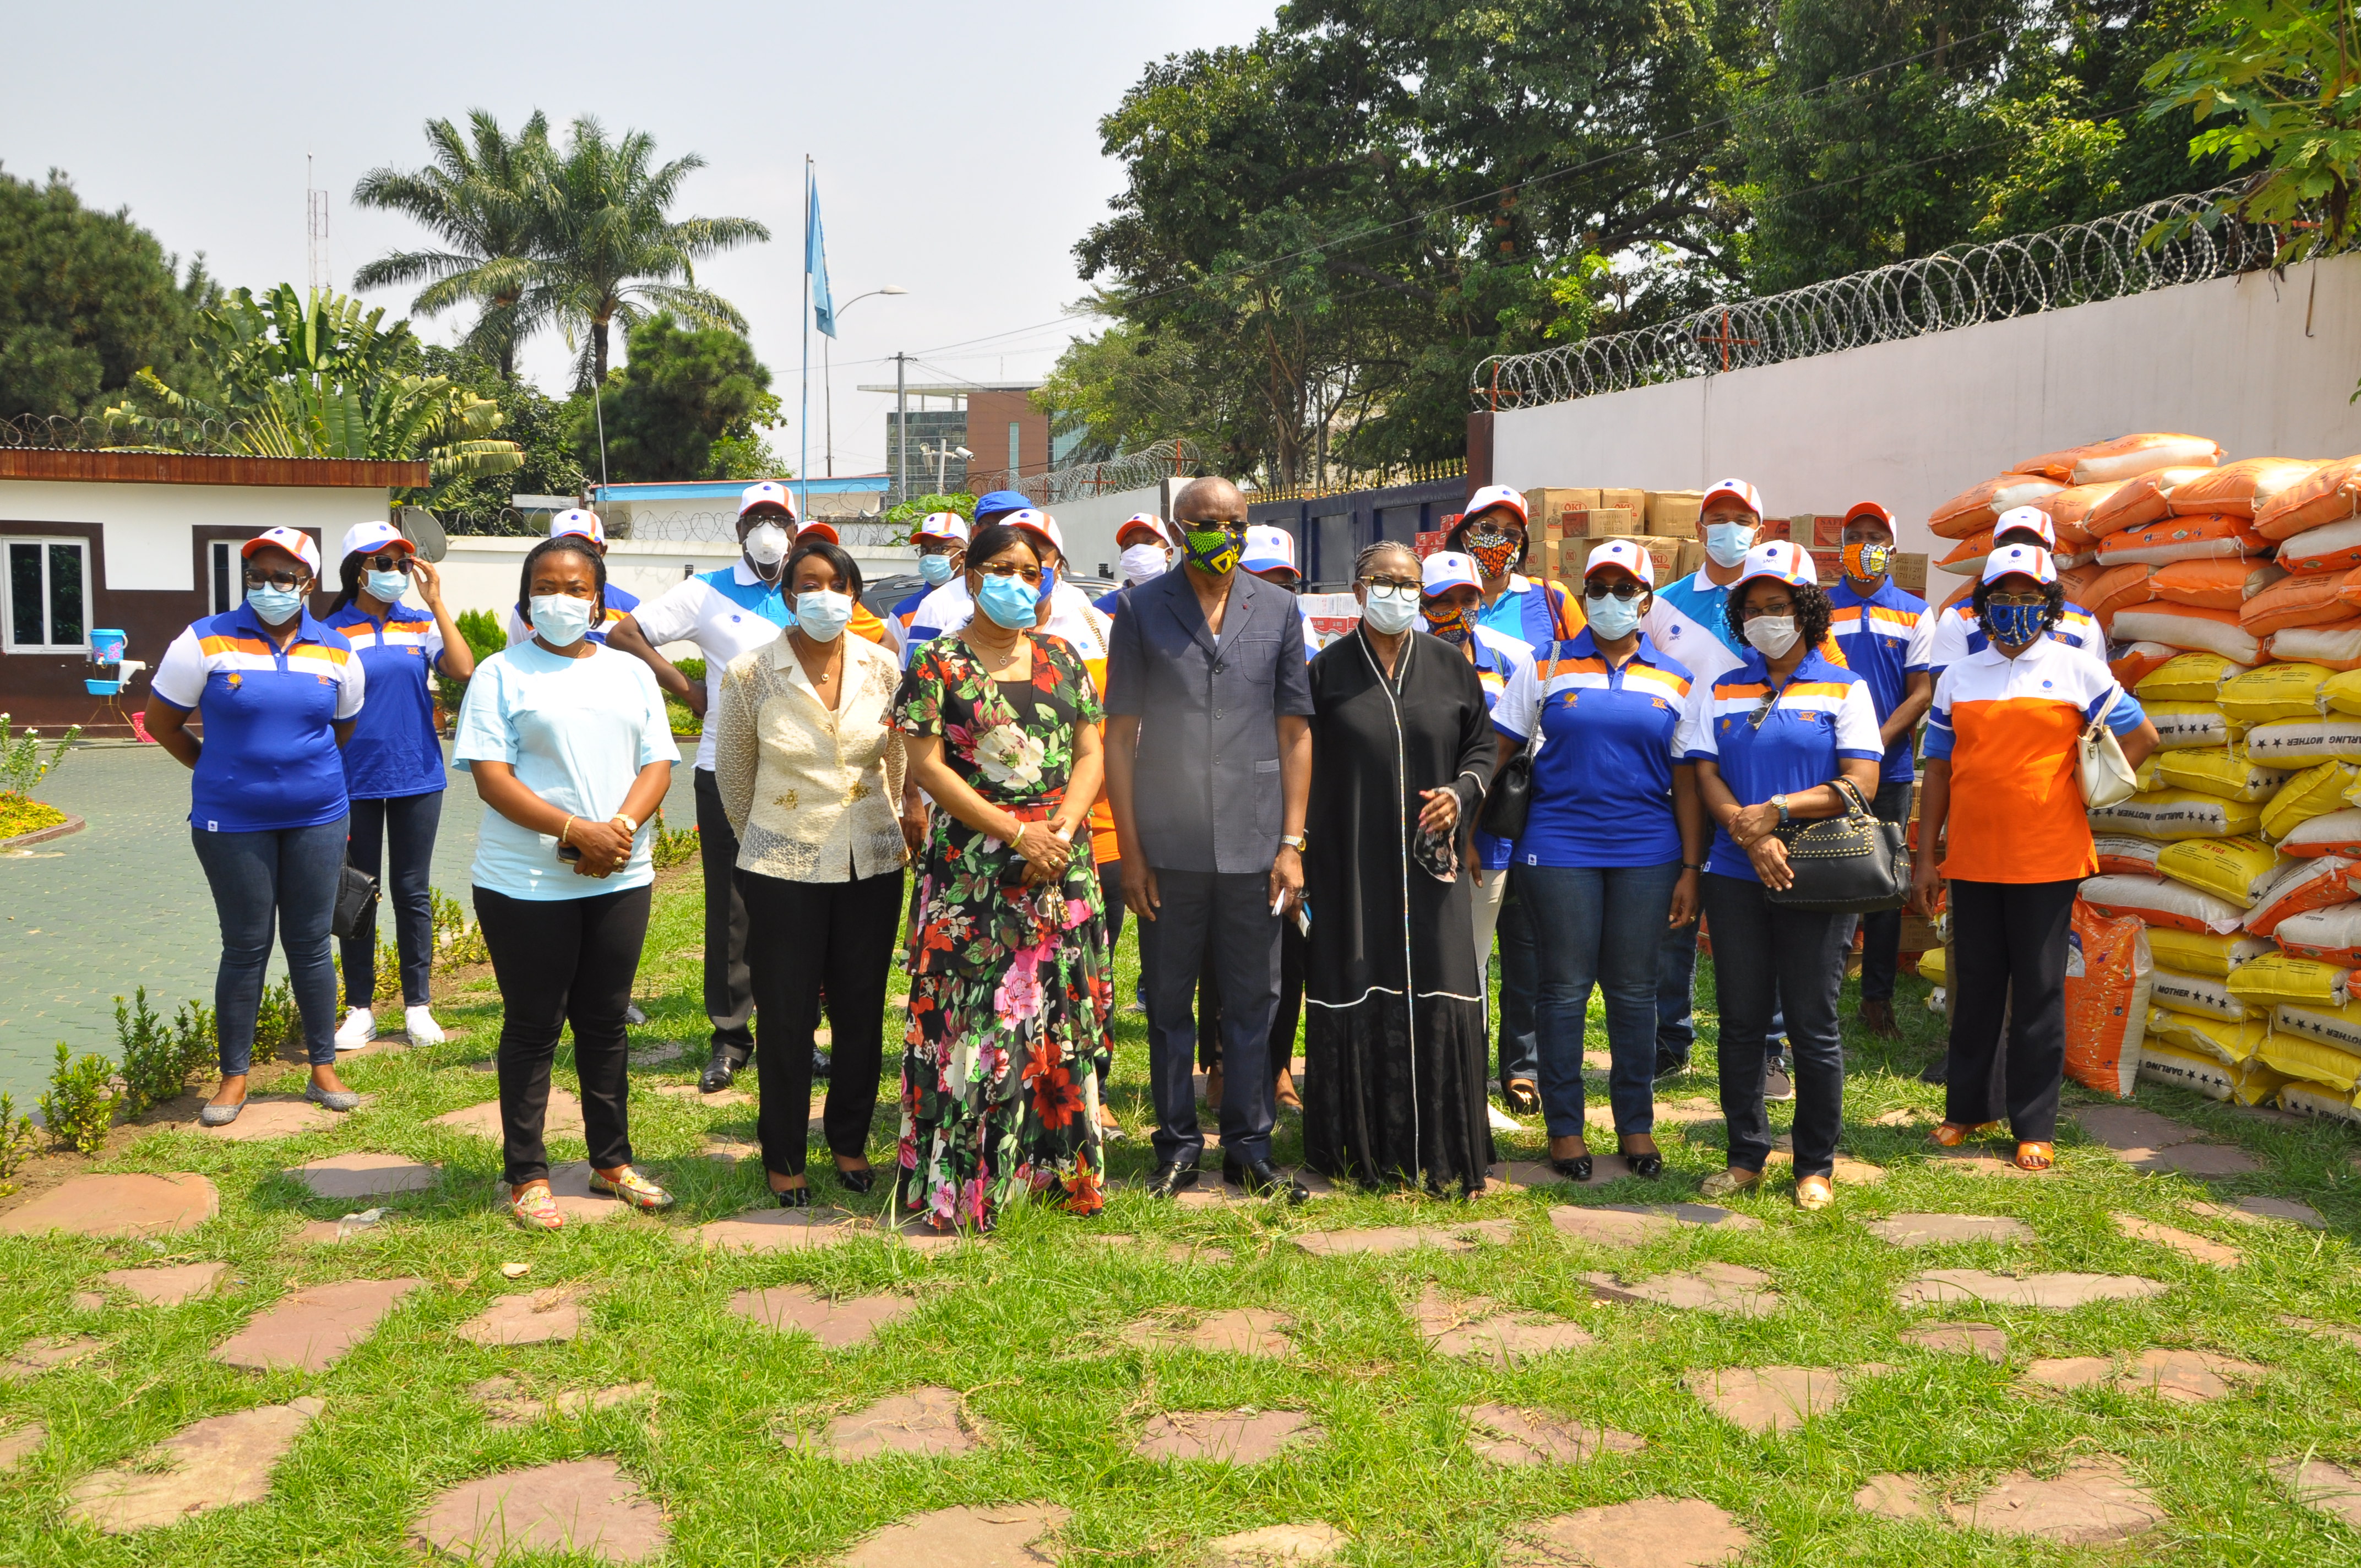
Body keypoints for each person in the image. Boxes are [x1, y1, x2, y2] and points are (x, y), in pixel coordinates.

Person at [453, 532, 678, 1231]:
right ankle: (526, 1173)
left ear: (598, 600)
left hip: (620, 872)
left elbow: (657, 763)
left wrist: (616, 831)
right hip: (524, 882)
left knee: (605, 1022)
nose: (560, 599)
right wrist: (574, 831)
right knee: (532, 1025)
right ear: (525, 601)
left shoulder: (629, 672)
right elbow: (493, 779)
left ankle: (611, 1161)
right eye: (545, 588)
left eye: (575, 588)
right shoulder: (500, 673)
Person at [894, 522, 1112, 1231]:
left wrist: (1064, 832)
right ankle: (967, 1181)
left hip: (1060, 866)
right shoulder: (938, 663)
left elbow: (1090, 752)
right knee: (973, 1021)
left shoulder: (1062, 655)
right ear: (971, 574)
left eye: (1031, 569)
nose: (1020, 582)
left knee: (1058, 1018)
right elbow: (925, 767)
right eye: (1002, 568)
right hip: (975, 873)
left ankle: (1057, 1178)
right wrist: (1017, 831)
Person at [1912, 543, 2156, 1171]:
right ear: (1983, 609)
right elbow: (1937, 769)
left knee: (2041, 992)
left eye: (2027, 598)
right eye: (2002, 599)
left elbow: (2142, 736)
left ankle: (2034, 1125)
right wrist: (1926, 853)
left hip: (2048, 858)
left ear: (2049, 606)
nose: (2013, 609)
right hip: (1971, 856)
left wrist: (2089, 785)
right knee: (1978, 990)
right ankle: (1966, 1110)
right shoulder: (1960, 678)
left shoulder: (2078, 669)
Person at [1105, 476, 1314, 1202]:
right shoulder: (1139, 610)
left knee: (1255, 1001)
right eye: (1204, 522)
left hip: (1257, 845)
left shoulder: (1280, 609)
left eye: (1233, 523)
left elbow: (1295, 732)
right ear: (1177, 526)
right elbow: (1121, 736)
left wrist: (1292, 842)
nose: (1219, 534)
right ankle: (1177, 1145)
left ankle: (1249, 1146)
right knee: (1169, 1003)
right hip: (1168, 847)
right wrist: (1132, 854)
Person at [1678, 541, 1884, 1210]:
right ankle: (1745, 1155)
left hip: (1817, 874)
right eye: (1755, 608)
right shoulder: (1724, 687)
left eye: (1779, 606)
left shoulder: (1845, 687)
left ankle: (1814, 1166)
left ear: (1806, 610)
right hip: (1734, 875)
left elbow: (1861, 781)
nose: (1766, 618)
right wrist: (1743, 824)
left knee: (1811, 1021)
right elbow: (1704, 770)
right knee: (1739, 1019)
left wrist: (1776, 814)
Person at [1490, 540, 1701, 1180]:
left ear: (1646, 596)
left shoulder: (1676, 677)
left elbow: (1689, 779)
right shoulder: (1546, 665)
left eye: (1624, 587)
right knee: (1563, 989)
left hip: (1649, 852)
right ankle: (1565, 1127)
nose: (1611, 599)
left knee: (1636, 992)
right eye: (1599, 588)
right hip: (1557, 848)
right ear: (1584, 597)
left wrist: (1692, 867)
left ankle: (1635, 1126)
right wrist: (1476, 832)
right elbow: (1500, 753)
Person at [146, 526, 368, 1125]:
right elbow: (162, 722)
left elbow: (340, 729)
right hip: (231, 820)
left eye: (283, 577)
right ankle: (234, 1078)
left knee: (311, 944)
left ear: (309, 584)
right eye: (257, 576)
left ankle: (322, 1066)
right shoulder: (203, 640)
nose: (268, 587)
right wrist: (215, 769)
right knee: (245, 947)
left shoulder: (338, 651)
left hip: (318, 816)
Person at [1301, 540, 1502, 1195]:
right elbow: (1298, 759)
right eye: (1383, 582)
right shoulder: (1325, 672)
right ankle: (1360, 1149)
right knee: (1357, 974)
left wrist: (1462, 794)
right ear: (1358, 591)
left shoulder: (1450, 667)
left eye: (1409, 583)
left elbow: (1481, 748)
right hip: (1350, 861)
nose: (1398, 594)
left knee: (1445, 981)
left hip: (1431, 868)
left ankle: (1445, 1150)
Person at [711, 537, 906, 1207]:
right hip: (782, 864)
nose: (824, 595)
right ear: (789, 594)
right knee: (788, 1015)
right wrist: (771, 841)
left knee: (860, 1011)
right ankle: (785, 1154)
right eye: (809, 583)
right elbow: (735, 777)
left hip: (871, 859)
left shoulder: (884, 666)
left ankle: (849, 1142)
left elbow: (897, 759)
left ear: (853, 593)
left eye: (837, 583)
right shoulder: (750, 672)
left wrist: (894, 816)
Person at [605, 481, 816, 1093]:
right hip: (727, 766)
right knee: (732, 909)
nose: (768, 528)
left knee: (799, 904)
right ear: (739, 530)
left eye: (779, 517)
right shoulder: (707, 592)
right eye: (757, 518)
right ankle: (730, 1038)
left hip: (802, 771)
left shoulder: (811, 587)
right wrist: (687, 689)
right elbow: (626, 632)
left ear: (796, 529)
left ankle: (795, 1033)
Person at [1642, 477, 1793, 1093]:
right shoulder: (1665, 605)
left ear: (1759, 529)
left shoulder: (1778, 603)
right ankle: (1669, 1037)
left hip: (1757, 775)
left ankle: (1768, 1045)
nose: (1729, 527)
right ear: (1699, 529)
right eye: (1718, 517)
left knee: (1769, 906)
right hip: (1681, 775)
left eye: (1742, 518)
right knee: (1677, 907)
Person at [1444, 484, 1575, 1113]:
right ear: (1462, 536)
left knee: (1527, 941)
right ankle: (1461, 1064)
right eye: (1482, 527)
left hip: (1534, 797)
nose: (1494, 539)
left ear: (1524, 540)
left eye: (1507, 529)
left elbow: (1577, 673)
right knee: (1471, 944)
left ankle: (1520, 1069)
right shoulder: (1439, 602)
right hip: (1471, 802)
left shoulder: (1550, 603)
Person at [323, 520, 474, 1050]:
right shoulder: (329, 632)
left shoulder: (419, 624)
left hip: (417, 775)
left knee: (412, 893)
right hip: (352, 780)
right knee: (356, 894)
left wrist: (436, 602)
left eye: (402, 563)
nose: (396, 573)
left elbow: (462, 667)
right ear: (357, 571)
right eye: (384, 563)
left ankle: (418, 1006)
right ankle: (359, 1008)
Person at [1191, 522, 1320, 1117]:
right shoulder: (1207, 630)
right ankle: (1217, 1062)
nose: (1269, 592)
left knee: (1284, 954)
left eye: (1281, 582)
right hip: (1220, 809)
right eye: (1260, 579)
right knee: (1218, 952)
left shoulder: (1302, 634)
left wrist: (1295, 833)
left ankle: (1277, 1068)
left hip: (1286, 818)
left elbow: (1304, 733)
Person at [1420, 549, 1539, 1113]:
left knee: (1470, 962)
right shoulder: (1402, 657)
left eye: (1466, 599)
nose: (1455, 611)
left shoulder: (1513, 659)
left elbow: (1512, 754)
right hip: (1410, 834)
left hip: (1487, 839)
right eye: (1440, 600)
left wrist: (1469, 831)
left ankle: (1464, 1091)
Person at [1825, 502, 1932, 1039]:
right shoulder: (1818, 607)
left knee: (1885, 886)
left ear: (1891, 547)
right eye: (1854, 534)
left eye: (1875, 535)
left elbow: (1922, 693)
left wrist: (1873, 742)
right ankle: (1821, 991)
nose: (1864, 543)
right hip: (1826, 774)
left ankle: (1876, 1000)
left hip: (1887, 773)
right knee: (1828, 878)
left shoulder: (1915, 612)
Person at [1915, 505, 2105, 677]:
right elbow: (1946, 694)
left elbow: (2096, 694)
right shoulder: (1959, 617)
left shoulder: (2083, 623)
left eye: (2032, 545)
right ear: (1993, 552)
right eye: (2008, 544)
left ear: (2051, 557)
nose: (2019, 551)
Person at [902, 489, 1036, 658]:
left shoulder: (1067, 607)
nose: (1010, 535)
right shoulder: (937, 603)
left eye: (1019, 527)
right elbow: (917, 674)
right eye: (998, 525)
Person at [503, 509, 638, 647]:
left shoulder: (629, 609)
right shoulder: (529, 609)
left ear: (602, 552)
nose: (577, 553)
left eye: (586, 546)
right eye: (567, 544)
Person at [889, 511, 969, 648]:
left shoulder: (979, 604)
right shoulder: (903, 612)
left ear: (962, 556)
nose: (929, 556)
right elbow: (899, 668)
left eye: (938, 549)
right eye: (924, 550)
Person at [1096, 513, 1172, 616]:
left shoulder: (1186, 602)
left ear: (1168, 553)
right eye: (1130, 544)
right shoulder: (1102, 609)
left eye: (1149, 541)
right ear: (1122, 557)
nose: (1138, 549)